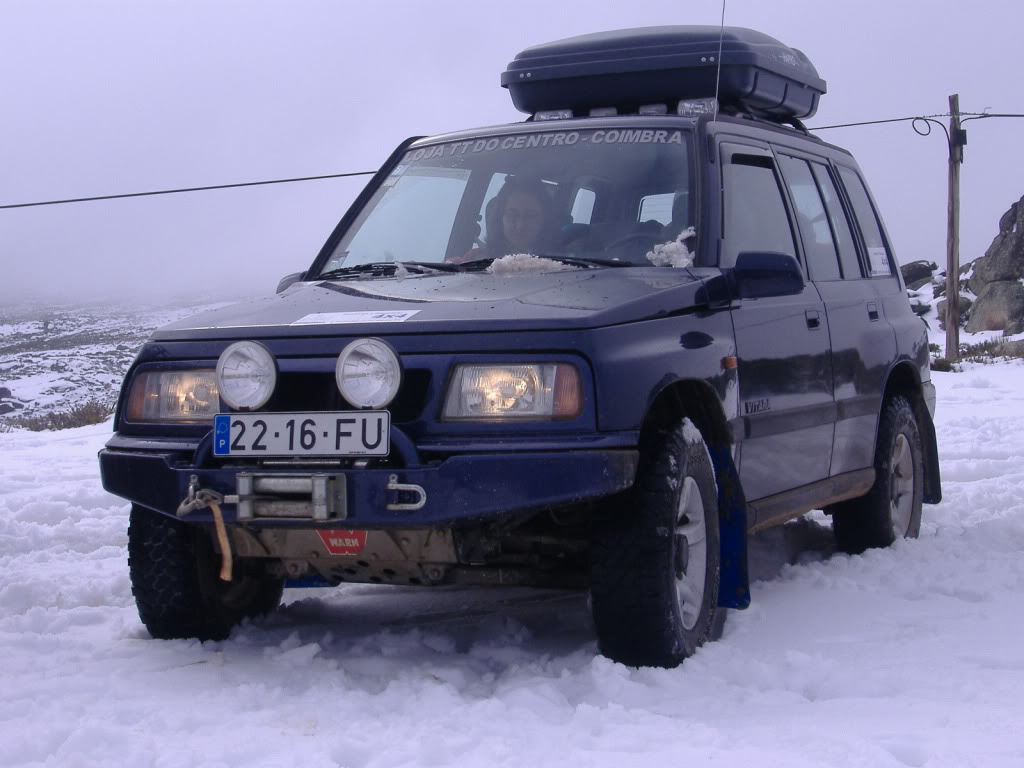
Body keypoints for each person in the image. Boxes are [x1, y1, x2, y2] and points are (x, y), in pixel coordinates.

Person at [450, 176, 556, 263]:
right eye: (512, 215)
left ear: (545, 219)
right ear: (500, 218)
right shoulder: (475, 258)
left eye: (530, 216)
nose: (520, 225)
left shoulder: (563, 263)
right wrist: (451, 266)